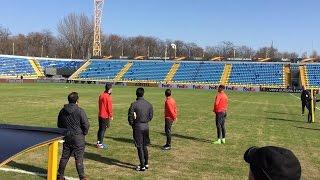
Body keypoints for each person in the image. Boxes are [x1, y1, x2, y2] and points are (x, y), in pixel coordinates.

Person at [57, 92, 90, 180]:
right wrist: (84, 133)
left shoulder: (62, 110)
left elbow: (59, 125)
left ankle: (60, 176)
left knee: (64, 157)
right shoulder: (80, 111)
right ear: (77, 100)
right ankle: (82, 177)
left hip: (67, 137)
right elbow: (86, 124)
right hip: (78, 138)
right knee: (79, 158)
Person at [128, 87, 153, 171]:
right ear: (143, 94)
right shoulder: (149, 104)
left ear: (136, 94)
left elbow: (130, 117)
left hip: (138, 127)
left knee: (139, 147)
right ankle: (146, 163)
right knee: (144, 146)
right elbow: (150, 116)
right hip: (146, 126)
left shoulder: (134, 104)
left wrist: (133, 124)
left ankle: (142, 166)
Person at [96, 83, 113, 149]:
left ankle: (98, 142)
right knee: (103, 130)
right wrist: (111, 115)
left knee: (100, 129)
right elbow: (109, 107)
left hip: (100, 115)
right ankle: (100, 144)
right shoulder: (108, 97)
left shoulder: (101, 95)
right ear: (110, 89)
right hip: (104, 116)